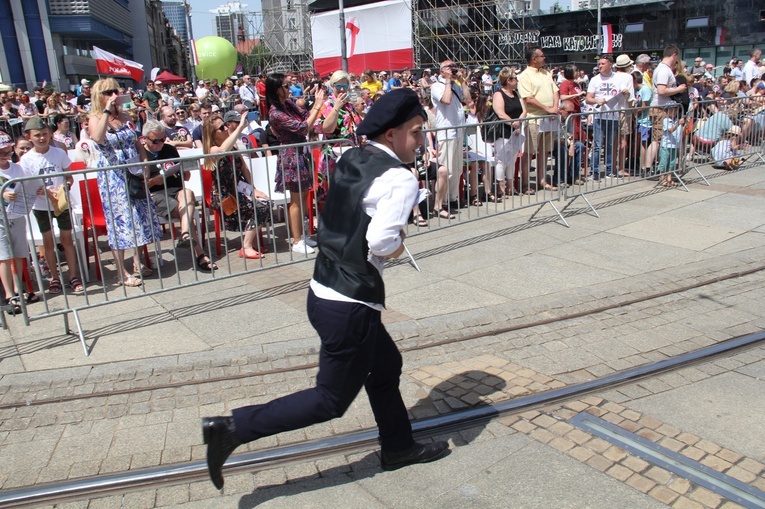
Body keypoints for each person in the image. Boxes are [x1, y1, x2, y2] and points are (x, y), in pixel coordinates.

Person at [201, 89, 450, 490]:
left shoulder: (353, 155)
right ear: (391, 134)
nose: (422, 140)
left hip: (323, 292)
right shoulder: (400, 178)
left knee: (385, 366)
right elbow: (382, 242)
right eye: (417, 132)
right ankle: (232, 428)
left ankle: (399, 446)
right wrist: (401, 243)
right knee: (331, 401)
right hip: (351, 304)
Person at [87, 78, 160, 287]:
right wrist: (107, 112)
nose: (113, 95)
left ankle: (137, 261)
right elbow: (99, 138)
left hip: (134, 172)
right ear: (99, 96)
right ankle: (122, 271)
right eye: (107, 92)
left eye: (115, 91)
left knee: (137, 218)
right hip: (114, 179)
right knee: (120, 223)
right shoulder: (95, 118)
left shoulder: (126, 116)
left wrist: (146, 163)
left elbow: (137, 143)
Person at [19, 116, 83, 294]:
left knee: (67, 239)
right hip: (41, 205)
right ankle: (54, 277)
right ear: (29, 137)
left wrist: (66, 186)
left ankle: (72, 275)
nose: (42, 138)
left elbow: (68, 175)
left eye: (45, 134)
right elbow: (27, 184)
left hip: (61, 203)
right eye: (37, 135)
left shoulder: (58, 153)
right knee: (47, 242)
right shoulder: (27, 159)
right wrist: (42, 190)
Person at [266, 73, 325, 254]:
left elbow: (305, 115)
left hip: (301, 152)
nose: (289, 88)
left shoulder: (288, 104)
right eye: (285, 86)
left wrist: (314, 109)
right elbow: (301, 127)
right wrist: (317, 105)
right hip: (290, 155)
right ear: (276, 89)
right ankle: (297, 240)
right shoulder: (275, 113)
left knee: (304, 194)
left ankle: (303, 234)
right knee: (296, 199)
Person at [202, 110, 270, 259]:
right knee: (260, 206)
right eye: (221, 128)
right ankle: (246, 246)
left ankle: (248, 243)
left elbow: (244, 168)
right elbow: (221, 150)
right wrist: (239, 128)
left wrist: (253, 190)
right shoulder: (212, 150)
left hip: (239, 189)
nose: (226, 129)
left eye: (225, 126)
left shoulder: (233, 147)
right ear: (213, 134)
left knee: (264, 201)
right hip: (224, 196)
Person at [0, 130, 40, 313]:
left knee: (18, 254)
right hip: (1, 218)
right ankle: (9, 294)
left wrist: (35, 190)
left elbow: (26, 185)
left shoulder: (16, 167)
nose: (6, 155)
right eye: (2, 152)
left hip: (16, 216)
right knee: (4, 257)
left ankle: (18, 289)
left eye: (8, 151)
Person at [313, 70, 363, 215]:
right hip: (332, 157)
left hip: (350, 155)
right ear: (332, 86)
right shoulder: (328, 104)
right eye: (338, 85)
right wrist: (336, 108)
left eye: (345, 85)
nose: (342, 89)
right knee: (333, 195)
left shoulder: (349, 105)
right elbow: (326, 128)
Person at [518, 47, 560, 191]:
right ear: (534, 58)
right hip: (533, 118)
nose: (545, 58)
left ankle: (542, 180)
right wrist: (548, 109)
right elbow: (528, 98)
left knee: (545, 151)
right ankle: (525, 183)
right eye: (542, 56)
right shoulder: (524, 76)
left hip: (549, 118)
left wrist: (554, 107)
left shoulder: (546, 73)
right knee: (529, 152)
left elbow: (555, 91)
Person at [585, 55, 633, 180]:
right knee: (597, 145)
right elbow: (588, 99)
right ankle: (594, 171)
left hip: (614, 115)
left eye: (603, 63)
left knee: (611, 145)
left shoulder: (618, 78)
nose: (600, 66)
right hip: (600, 116)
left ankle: (610, 169)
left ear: (610, 64)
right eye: (599, 64)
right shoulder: (595, 80)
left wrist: (625, 93)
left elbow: (624, 92)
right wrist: (597, 100)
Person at [431, 59, 471, 211]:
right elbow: (446, 100)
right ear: (442, 71)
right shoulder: (437, 86)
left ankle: (453, 197)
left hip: (458, 131)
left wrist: (462, 81)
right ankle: (442, 200)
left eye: (455, 67)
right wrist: (448, 81)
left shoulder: (455, 85)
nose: (453, 69)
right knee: (446, 169)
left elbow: (467, 99)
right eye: (450, 67)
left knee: (457, 168)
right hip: (446, 132)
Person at [492, 67, 527, 197]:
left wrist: (519, 122)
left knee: (512, 160)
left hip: (516, 131)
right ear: (509, 80)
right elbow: (500, 113)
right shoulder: (498, 94)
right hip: (504, 131)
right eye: (515, 79)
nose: (517, 81)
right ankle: (501, 188)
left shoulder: (517, 94)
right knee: (501, 160)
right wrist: (513, 123)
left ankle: (511, 186)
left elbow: (524, 110)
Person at [656, 104, 685, 187]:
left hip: (674, 145)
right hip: (666, 145)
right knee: (664, 162)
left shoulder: (677, 120)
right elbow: (670, 130)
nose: (674, 112)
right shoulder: (666, 120)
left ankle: (669, 178)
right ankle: (662, 178)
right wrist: (678, 124)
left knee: (672, 163)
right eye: (672, 110)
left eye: (675, 110)